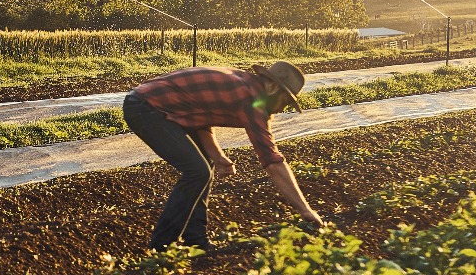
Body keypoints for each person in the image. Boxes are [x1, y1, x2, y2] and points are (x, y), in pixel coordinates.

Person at [122, 60, 326, 249]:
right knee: (197, 172)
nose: (283, 109)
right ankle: (162, 246)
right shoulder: (251, 99)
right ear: (272, 88)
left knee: (204, 166)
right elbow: (272, 161)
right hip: (146, 107)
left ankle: (196, 241)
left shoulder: (243, 84)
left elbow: (199, 114)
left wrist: (217, 155)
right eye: (285, 101)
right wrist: (305, 210)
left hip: (153, 103)